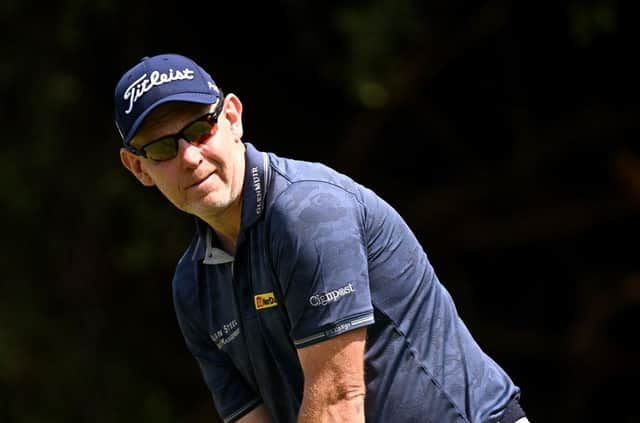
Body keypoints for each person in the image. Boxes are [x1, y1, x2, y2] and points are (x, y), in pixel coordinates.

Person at [114, 53, 529, 423]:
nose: (189, 156)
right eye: (163, 149)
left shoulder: (308, 212)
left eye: (201, 128)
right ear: (138, 169)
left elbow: (338, 404)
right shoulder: (193, 286)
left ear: (233, 118)